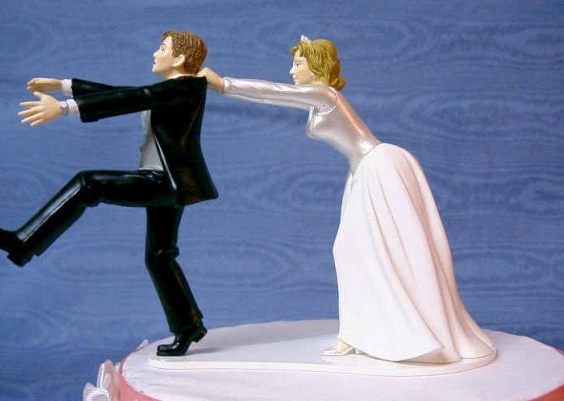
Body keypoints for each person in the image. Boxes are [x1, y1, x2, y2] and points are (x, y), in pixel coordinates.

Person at [199, 36, 496, 363]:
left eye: (298, 63)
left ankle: (374, 333)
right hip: (361, 171)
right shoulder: (321, 98)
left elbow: (276, 93)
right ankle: (358, 332)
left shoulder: (325, 94)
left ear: (316, 65)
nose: (292, 70)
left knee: (366, 248)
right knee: (352, 249)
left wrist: (223, 84)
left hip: (377, 166)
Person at [0, 30, 216, 357]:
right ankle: (188, 326)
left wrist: (63, 108)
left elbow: (134, 97)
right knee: (159, 256)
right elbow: (124, 94)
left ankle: (24, 242)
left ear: (179, 58)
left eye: (162, 48)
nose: (154, 53)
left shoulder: (185, 87)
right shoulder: (173, 89)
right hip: (168, 180)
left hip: (167, 181)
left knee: (89, 183)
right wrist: (64, 85)